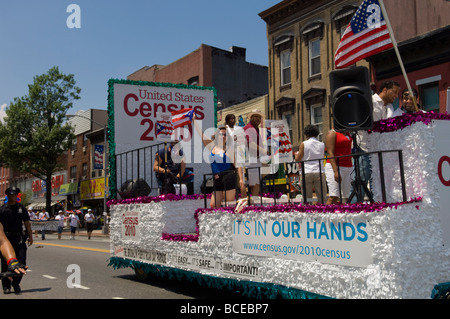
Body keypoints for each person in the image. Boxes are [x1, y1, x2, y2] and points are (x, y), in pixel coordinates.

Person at [354, 80, 401, 201]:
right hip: (365, 147)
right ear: (385, 89)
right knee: (361, 181)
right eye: (394, 92)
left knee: (376, 184)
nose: (396, 96)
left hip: (378, 150)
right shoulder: (371, 102)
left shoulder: (389, 108)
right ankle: (353, 210)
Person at [194, 117, 244, 208]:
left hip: (229, 177)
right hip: (217, 178)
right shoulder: (212, 146)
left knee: (228, 204)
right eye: (221, 134)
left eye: (225, 135)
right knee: (213, 205)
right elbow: (201, 135)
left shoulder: (229, 149)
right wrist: (194, 121)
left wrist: (241, 179)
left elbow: (238, 165)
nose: (223, 136)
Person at [0, 187, 32, 294]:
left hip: (19, 238)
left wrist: (30, 236)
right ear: (7, 196)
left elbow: (27, 223)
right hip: (6, 238)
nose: (13, 196)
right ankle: (6, 286)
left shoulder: (21, 208)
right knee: (5, 263)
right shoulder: (2, 209)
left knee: (21, 262)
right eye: (11, 194)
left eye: (15, 194)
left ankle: (16, 283)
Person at [295, 125, 327, 204]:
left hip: (307, 171)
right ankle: (322, 210)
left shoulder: (304, 144)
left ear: (306, 134)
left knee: (307, 196)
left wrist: (296, 154)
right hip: (319, 170)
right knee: (321, 195)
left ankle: (308, 210)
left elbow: (298, 159)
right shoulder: (322, 144)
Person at [325, 129, 353, 204]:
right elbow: (330, 152)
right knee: (334, 196)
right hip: (336, 166)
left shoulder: (348, 133)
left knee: (347, 197)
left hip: (348, 166)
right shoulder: (332, 133)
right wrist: (335, 171)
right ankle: (325, 214)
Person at [243, 109, 268, 197]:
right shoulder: (249, 128)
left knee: (256, 182)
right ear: (251, 118)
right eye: (255, 117)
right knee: (253, 184)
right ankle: (252, 202)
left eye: (259, 117)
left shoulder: (255, 129)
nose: (257, 119)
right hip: (251, 160)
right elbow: (251, 143)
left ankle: (253, 201)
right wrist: (262, 150)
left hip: (255, 160)